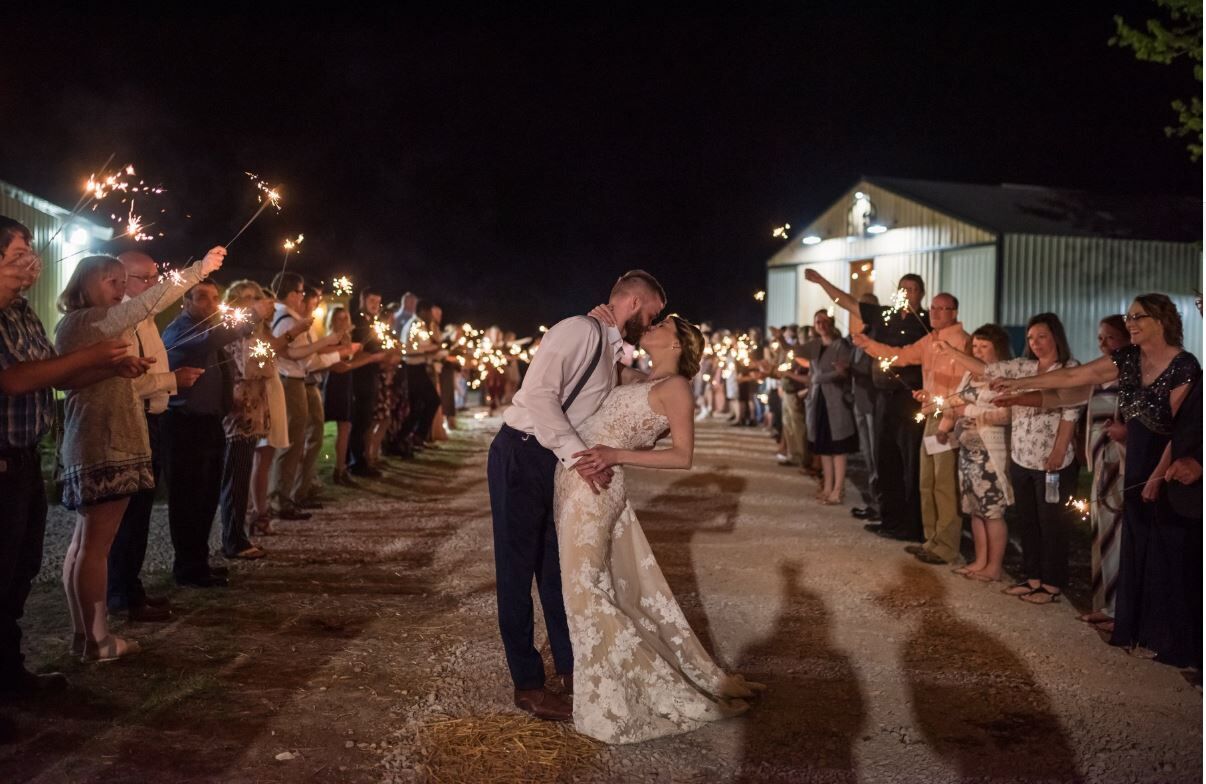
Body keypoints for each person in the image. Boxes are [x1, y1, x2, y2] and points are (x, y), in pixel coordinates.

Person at [561, 315, 764, 743]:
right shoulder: (637, 376)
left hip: (598, 486)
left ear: (677, 343)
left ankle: (625, 691)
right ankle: (615, 674)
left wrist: (617, 454)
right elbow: (598, 366)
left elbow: (682, 456)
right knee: (601, 585)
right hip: (575, 481)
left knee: (584, 590)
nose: (651, 327)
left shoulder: (677, 388)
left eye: (662, 325)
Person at [488, 270, 664, 723]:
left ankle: (571, 668)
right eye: (653, 314)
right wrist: (577, 457)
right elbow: (541, 397)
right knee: (515, 570)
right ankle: (527, 684)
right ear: (634, 303)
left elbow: (607, 387)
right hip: (523, 452)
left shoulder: (605, 343)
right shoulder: (575, 330)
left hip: (551, 459)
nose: (653, 323)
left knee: (554, 569)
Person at [992, 295, 1199, 662]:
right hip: (1133, 461)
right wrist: (1022, 384)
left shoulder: (1184, 366)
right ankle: (1132, 627)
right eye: (1128, 317)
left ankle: (1170, 640)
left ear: (1162, 320)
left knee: (1164, 549)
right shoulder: (1129, 359)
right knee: (1133, 541)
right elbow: (1075, 375)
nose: (1130, 323)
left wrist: (1155, 477)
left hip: (1166, 467)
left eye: (1137, 317)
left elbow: (1182, 432)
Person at [0, 217, 145, 695]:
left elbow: (55, 379)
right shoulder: (74, 321)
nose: (31, 262)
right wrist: (94, 356)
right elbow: (16, 379)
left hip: (24, 459)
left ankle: (11, 675)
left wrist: (109, 368)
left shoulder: (20, 311)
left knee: (19, 574)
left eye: (29, 253)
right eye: (18, 255)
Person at [56, 250, 223, 661]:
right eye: (110, 281)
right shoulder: (93, 319)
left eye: (120, 280)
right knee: (95, 547)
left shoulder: (82, 324)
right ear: (84, 284)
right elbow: (153, 299)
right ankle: (97, 640)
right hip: (107, 440)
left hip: (97, 437)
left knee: (83, 545)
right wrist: (199, 269)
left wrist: (124, 369)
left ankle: (85, 635)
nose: (120, 290)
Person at [943, 313, 1081, 605]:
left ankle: (1052, 583)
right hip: (1022, 455)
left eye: (1041, 336)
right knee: (1028, 521)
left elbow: (1070, 410)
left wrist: (1058, 451)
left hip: (1052, 460)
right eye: (1031, 338)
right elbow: (988, 369)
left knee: (1051, 522)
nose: (1036, 343)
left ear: (1055, 336)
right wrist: (953, 352)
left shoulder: (1070, 369)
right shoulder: (1023, 367)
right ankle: (1032, 577)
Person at [105, 251, 204, 623]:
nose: (154, 285)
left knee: (142, 514)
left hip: (154, 421)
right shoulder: (121, 322)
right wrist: (172, 381)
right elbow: (127, 383)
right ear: (120, 279)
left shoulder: (145, 318)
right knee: (129, 515)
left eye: (154, 277)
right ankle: (120, 594)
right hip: (135, 421)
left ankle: (132, 588)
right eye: (144, 279)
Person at [805, 269, 929, 541]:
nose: (907, 294)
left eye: (912, 289)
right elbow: (847, 302)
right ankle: (889, 519)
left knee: (910, 464)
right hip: (882, 397)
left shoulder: (926, 324)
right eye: (903, 289)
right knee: (885, 460)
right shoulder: (886, 316)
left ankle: (913, 525)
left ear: (921, 293)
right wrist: (821, 281)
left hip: (910, 401)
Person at [853, 293, 970, 565]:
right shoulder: (929, 340)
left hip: (948, 418)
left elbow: (964, 384)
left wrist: (947, 420)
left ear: (954, 312)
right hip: (929, 415)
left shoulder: (962, 342)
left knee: (944, 485)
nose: (937, 313)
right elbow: (901, 356)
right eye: (934, 308)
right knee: (926, 481)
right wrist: (868, 344)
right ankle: (931, 540)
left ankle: (947, 546)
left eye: (944, 309)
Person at [163, 275, 256, 589]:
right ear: (185, 302)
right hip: (185, 425)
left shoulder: (209, 331)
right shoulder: (181, 329)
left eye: (215, 298)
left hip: (210, 424)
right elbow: (206, 343)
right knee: (188, 498)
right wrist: (241, 321)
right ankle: (187, 567)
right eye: (202, 297)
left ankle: (199, 562)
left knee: (206, 498)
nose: (211, 304)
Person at [937, 325, 1013, 582]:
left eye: (984, 347)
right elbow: (955, 401)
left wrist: (969, 413)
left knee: (992, 510)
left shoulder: (1004, 377)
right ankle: (980, 560)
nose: (978, 351)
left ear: (998, 348)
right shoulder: (970, 376)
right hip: (967, 453)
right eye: (976, 346)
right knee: (975, 509)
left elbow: (1006, 414)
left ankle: (994, 566)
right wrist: (943, 424)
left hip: (990, 455)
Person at [269, 272, 342, 519]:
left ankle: (289, 495)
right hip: (291, 381)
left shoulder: (290, 317)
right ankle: (281, 499)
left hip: (295, 381)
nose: (303, 297)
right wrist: (332, 345)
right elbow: (296, 354)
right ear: (292, 294)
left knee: (299, 440)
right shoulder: (288, 320)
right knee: (291, 442)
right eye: (301, 292)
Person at [217, 281, 277, 560]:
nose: (255, 303)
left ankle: (237, 535)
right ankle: (233, 539)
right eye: (248, 299)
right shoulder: (232, 330)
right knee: (236, 475)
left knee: (241, 471)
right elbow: (249, 368)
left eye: (258, 297)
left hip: (255, 406)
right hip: (239, 408)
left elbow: (268, 367)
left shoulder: (258, 331)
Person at [799, 310, 856, 505]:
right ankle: (827, 486)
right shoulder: (814, 346)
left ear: (831, 323)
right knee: (823, 446)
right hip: (818, 401)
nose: (821, 324)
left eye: (824, 321)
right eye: (817, 321)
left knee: (838, 447)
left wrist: (820, 378)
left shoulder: (841, 345)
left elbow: (843, 371)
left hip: (836, 400)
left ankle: (838, 489)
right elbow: (796, 352)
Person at [848, 295, 881, 521]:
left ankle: (880, 505)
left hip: (871, 401)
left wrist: (850, 368)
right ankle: (874, 501)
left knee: (876, 455)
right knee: (867, 455)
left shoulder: (878, 335)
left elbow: (874, 369)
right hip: (859, 400)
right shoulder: (862, 333)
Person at [348, 288, 384, 477]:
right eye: (372, 300)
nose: (375, 304)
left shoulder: (373, 321)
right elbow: (357, 349)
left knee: (366, 420)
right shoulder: (358, 321)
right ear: (363, 299)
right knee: (360, 420)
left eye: (378, 301)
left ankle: (363, 459)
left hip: (370, 374)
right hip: (360, 376)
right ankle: (356, 462)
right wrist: (377, 356)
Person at [398, 300, 443, 449]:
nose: (432, 317)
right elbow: (411, 348)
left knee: (419, 405)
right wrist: (432, 349)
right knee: (431, 401)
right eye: (430, 313)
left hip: (418, 367)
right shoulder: (415, 324)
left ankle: (409, 437)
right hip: (413, 368)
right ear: (423, 311)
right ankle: (411, 436)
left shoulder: (420, 325)